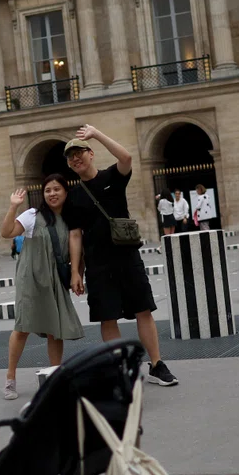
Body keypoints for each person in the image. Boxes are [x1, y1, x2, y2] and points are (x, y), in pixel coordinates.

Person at [63, 126, 178, 387]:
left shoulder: (111, 177)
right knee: (107, 316)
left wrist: (96, 134)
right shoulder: (74, 197)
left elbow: (126, 158)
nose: (75, 159)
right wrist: (75, 272)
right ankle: (120, 369)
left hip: (126, 256)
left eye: (79, 152)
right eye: (70, 157)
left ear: (91, 154)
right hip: (97, 263)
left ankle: (157, 364)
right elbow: (75, 235)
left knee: (143, 309)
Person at [0, 177, 84, 400]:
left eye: (57, 189)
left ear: (66, 191)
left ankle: (55, 375)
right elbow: (7, 232)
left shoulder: (71, 218)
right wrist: (13, 206)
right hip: (31, 278)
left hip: (55, 279)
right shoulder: (32, 215)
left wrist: (76, 273)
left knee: (54, 329)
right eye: (48, 190)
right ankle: (10, 378)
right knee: (22, 326)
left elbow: (75, 244)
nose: (52, 193)